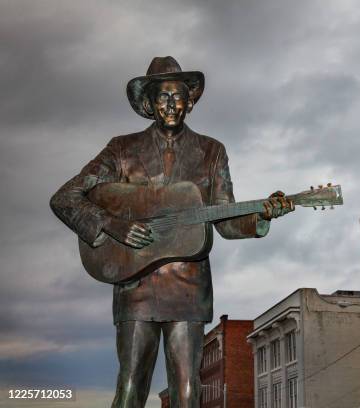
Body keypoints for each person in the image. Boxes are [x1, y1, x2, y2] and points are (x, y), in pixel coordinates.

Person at [50, 56, 293, 408]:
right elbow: (66, 198)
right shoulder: (121, 149)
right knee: (131, 386)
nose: (170, 104)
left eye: (178, 96)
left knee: (188, 390)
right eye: (162, 97)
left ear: (190, 101)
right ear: (148, 104)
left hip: (189, 287)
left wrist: (262, 216)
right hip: (135, 286)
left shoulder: (211, 151)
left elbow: (224, 220)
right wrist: (112, 225)